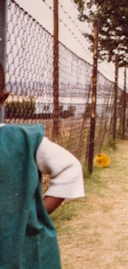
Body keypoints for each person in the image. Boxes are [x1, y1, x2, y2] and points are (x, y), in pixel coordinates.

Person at [0, 63, 84, 269]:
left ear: (2, 98)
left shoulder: (23, 140)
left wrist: (38, 212)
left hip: (18, 247)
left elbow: (69, 167)